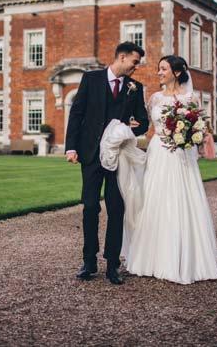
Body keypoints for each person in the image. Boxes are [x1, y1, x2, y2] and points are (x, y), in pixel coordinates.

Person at [118, 55, 217, 284]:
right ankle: (153, 257)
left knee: (182, 199)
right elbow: (144, 124)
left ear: (176, 73)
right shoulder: (155, 98)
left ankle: (186, 257)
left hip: (181, 155)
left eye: (163, 69)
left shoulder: (191, 98)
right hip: (158, 151)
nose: (159, 72)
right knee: (155, 199)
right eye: (159, 68)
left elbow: (200, 128)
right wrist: (125, 128)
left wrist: (189, 136)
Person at [65, 42, 149, 285]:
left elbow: (143, 122)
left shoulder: (135, 88)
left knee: (116, 208)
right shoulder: (90, 79)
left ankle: (113, 264)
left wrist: (131, 128)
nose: (136, 67)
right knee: (90, 206)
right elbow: (76, 114)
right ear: (122, 57)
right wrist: (71, 147)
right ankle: (89, 261)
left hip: (119, 157)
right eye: (134, 62)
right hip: (90, 155)